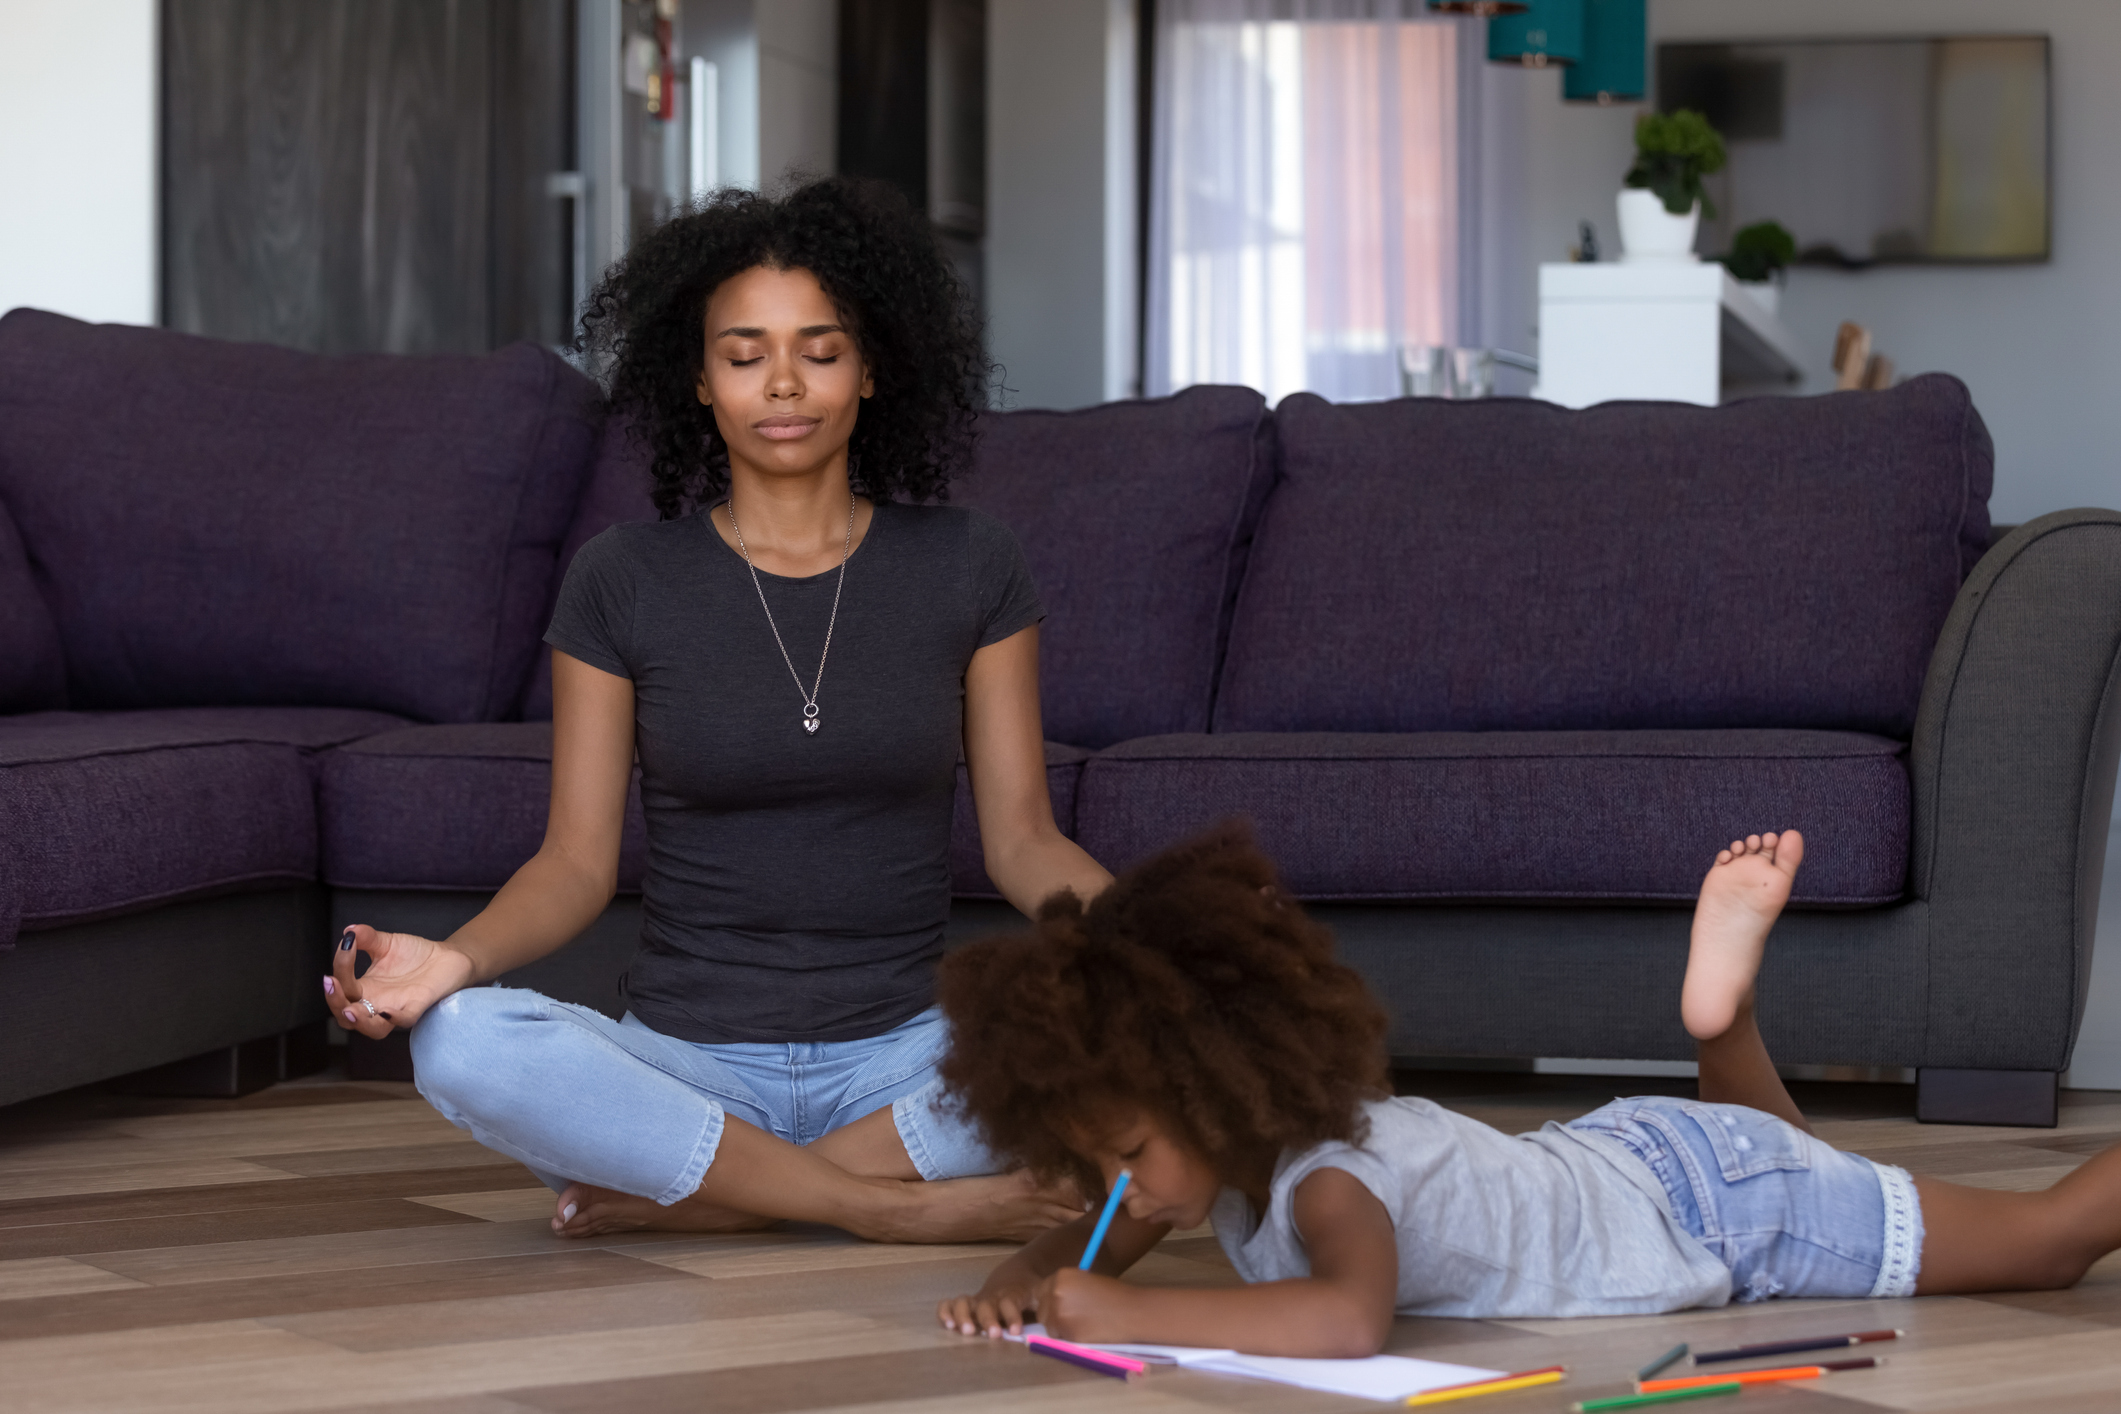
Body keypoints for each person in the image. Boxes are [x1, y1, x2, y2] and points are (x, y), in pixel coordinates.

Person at [323, 177, 1110, 1244]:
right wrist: (455, 960)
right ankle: (881, 1208)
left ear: (874, 370)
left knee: (1124, 1020)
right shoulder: (623, 578)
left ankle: (724, 1195)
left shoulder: (971, 562)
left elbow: (1024, 840)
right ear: (697, 379)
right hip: (681, 1064)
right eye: (745, 356)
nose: (783, 384)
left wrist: (1161, 941)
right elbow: (573, 863)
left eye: (821, 352)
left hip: (911, 1061)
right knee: (465, 1042)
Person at [934, 824, 2121, 1354]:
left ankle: (1724, 1023)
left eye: (1128, 1154)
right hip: (1639, 1158)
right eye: (1097, 1163)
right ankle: (1722, 1021)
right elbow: (1096, 1244)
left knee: (2053, 1239)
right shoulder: (1198, 1160)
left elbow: (1346, 1323)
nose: (1117, 1190)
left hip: (1709, 1205)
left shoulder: (1333, 1183)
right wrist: (1018, 1278)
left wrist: (1135, 1316)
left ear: (1209, 1088)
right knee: (1776, 1149)